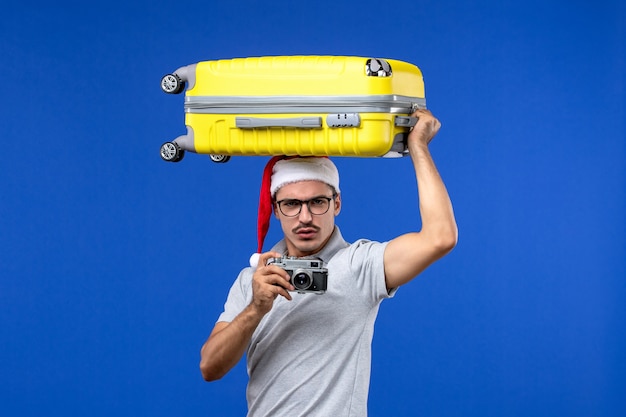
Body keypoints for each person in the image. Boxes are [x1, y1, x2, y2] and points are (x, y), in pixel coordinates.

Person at [199, 109, 457, 416]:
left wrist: (419, 147)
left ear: (336, 203)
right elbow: (210, 367)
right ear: (276, 210)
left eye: (317, 202)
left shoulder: (358, 265)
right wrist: (256, 308)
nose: (305, 217)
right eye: (291, 204)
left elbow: (440, 237)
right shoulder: (254, 279)